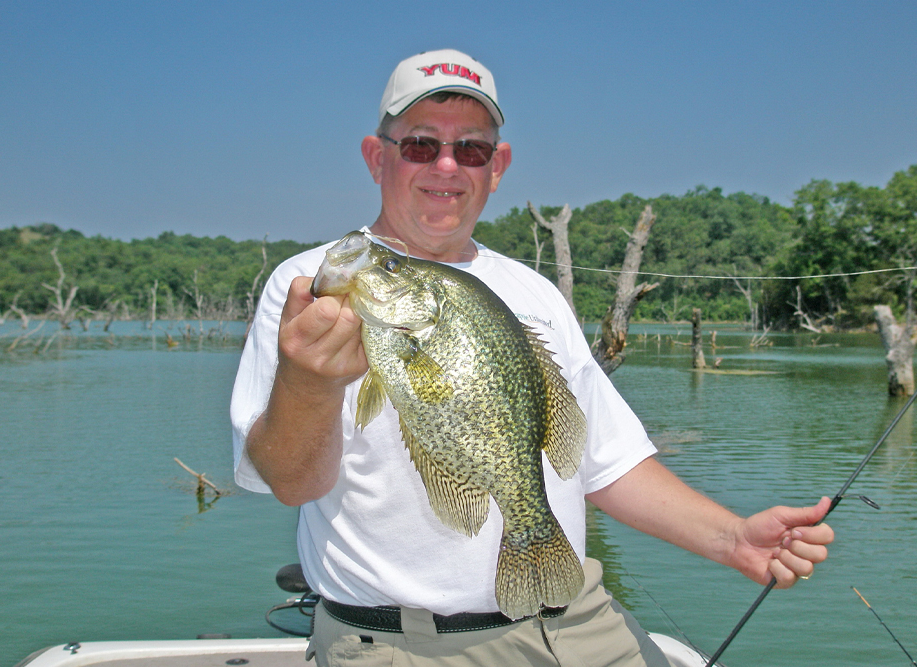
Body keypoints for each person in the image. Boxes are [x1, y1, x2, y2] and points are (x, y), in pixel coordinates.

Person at [230, 49, 834, 667]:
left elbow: (604, 460)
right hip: (407, 643)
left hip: (578, 620)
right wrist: (308, 385)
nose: (446, 165)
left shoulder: (532, 292)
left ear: (498, 167)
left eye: (471, 149)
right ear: (376, 155)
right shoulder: (307, 286)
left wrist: (734, 540)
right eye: (419, 145)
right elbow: (290, 482)